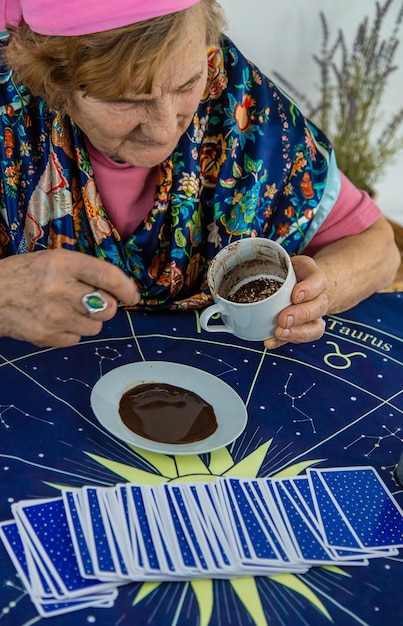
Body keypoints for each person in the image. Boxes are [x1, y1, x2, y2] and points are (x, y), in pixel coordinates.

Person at [0, 0, 400, 349]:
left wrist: (319, 289)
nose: (162, 130)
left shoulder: (239, 100)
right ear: (53, 83)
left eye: (187, 83)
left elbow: (378, 249)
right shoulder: (10, 114)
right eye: (123, 100)